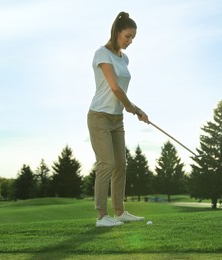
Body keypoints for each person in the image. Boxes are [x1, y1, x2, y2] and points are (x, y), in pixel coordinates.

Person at [87, 11, 149, 227]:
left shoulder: (125, 58)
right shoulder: (101, 53)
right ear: (117, 32)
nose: (130, 41)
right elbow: (114, 87)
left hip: (117, 117)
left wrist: (136, 108)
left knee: (121, 165)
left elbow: (122, 89)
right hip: (99, 116)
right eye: (127, 36)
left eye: (133, 38)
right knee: (107, 163)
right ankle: (102, 216)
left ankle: (120, 212)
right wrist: (132, 108)